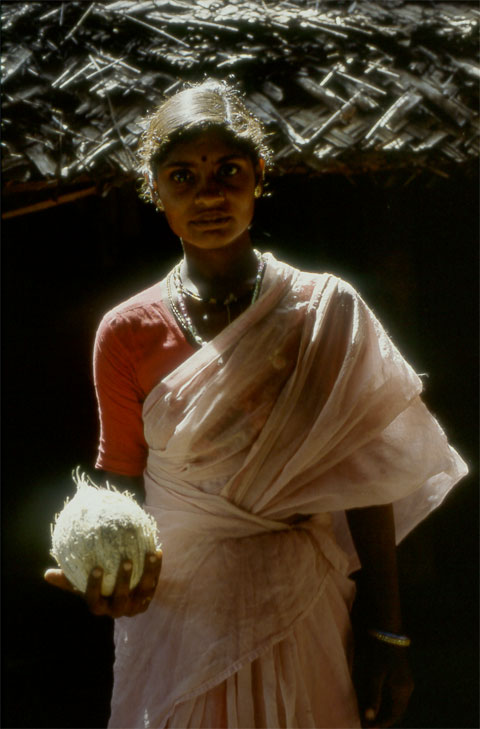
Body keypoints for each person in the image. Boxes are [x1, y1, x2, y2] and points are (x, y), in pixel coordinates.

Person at [45, 79, 467, 729]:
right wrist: (105, 565)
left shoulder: (325, 310)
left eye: (228, 171)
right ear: (154, 189)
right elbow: (120, 485)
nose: (209, 194)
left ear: (259, 177)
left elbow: (368, 481)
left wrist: (389, 633)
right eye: (182, 175)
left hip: (305, 603)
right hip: (182, 612)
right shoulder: (127, 332)